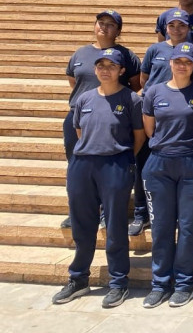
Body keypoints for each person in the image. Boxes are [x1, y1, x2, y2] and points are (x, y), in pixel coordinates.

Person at [52, 49, 145, 309]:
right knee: (82, 225)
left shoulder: (131, 99)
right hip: (83, 164)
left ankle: (118, 282)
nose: (106, 70)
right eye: (101, 66)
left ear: (121, 70)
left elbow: (139, 136)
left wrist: (122, 157)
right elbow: (80, 131)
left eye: (112, 66)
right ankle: (79, 278)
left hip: (115, 164)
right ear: (95, 69)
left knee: (115, 225)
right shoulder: (84, 99)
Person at [141, 42, 193, 309]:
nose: (182, 65)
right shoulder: (154, 91)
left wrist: (189, 150)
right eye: (178, 60)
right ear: (170, 63)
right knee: (160, 226)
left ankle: (184, 283)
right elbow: (150, 129)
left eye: (188, 61)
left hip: (192, 163)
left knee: (189, 227)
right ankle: (160, 283)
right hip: (160, 163)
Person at [63, 10, 141, 229]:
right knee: (77, 167)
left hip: (113, 117)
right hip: (80, 117)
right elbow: (74, 81)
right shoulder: (80, 53)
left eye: (110, 24)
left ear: (118, 31)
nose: (104, 27)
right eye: (101, 22)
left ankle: (109, 214)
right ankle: (79, 212)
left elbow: (136, 85)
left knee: (110, 167)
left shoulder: (127, 55)